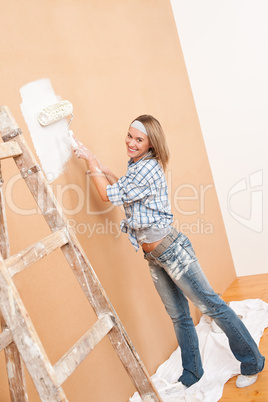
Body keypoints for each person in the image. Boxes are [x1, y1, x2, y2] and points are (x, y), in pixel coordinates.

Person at [74, 115, 265, 389]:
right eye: (129, 136)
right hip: (155, 256)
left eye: (139, 139)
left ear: (151, 144)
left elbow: (108, 195)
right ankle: (192, 373)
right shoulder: (137, 167)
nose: (131, 142)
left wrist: (90, 163)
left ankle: (253, 361)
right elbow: (125, 191)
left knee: (212, 305)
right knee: (179, 315)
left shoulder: (147, 168)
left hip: (173, 252)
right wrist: (101, 164)